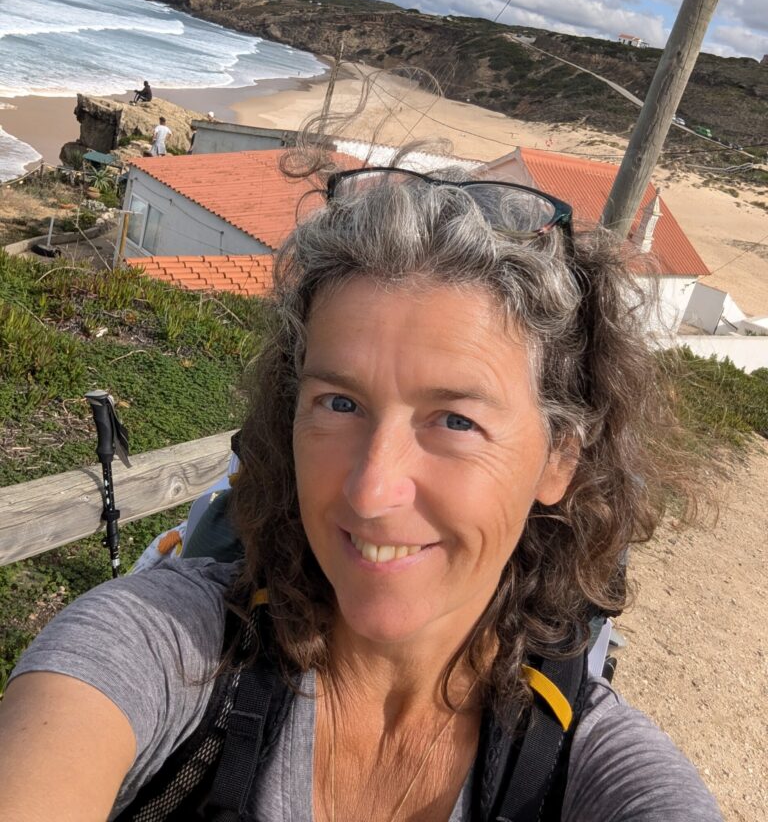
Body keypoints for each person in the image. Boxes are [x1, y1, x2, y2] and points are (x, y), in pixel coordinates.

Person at [0, 160, 723, 821]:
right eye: (339, 403)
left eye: (455, 420)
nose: (372, 489)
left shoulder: (585, 769)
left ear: (559, 458)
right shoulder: (163, 646)